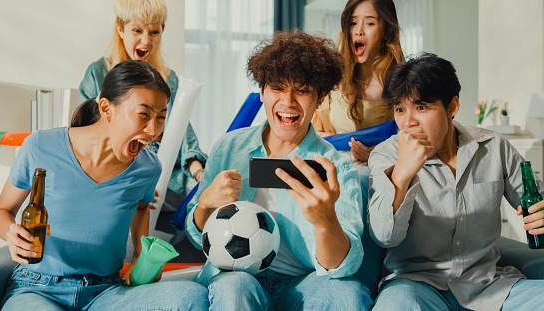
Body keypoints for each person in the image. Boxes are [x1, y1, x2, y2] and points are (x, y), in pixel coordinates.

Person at [0, 60, 208, 310]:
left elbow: (141, 207)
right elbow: (1, 212)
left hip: (105, 292)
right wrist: (10, 232)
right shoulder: (40, 146)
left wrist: (140, 252)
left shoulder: (148, 167)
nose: (153, 130)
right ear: (106, 108)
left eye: (161, 118)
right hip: (37, 288)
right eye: (143, 114)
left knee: (193, 297)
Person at [184, 30, 372, 310]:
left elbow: (341, 267)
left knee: (348, 293)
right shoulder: (228, 148)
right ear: (261, 92)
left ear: (319, 99)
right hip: (238, 278)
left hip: (302, 283)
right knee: (235, 286)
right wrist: (204, 205)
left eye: (303, 90)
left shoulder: (334, 167)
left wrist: (325, 221)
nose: (288, 101)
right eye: (278, 88)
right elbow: (198, 234)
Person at [368, 53, 544, 311]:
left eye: (421, 107)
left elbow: (535, 201)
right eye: (399, 109)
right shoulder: (385, 155)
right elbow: (384, 236)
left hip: (489, 285)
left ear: (452, 107)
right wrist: (402, 174)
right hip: (415, 286)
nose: (408, 122)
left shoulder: (493, 147)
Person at [79, 0, 207, 246]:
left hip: (164, 164)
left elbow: (182, 133)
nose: (146, 41)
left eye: (154, 32)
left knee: (204, 187)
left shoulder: (168, 79)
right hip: (117, 161)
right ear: (121, 30)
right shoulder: (98, 73)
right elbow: (88, 132)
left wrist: (199, 171)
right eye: (137, 30)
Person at [312, 0, 404, 165]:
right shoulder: (330, 79)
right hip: (334, 171)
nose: (358, 31)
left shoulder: (401, 83)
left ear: (386, 31)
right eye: (353, 23)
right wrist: (317, 137)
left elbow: (413, 140)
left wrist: (375, 154)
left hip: (378, 175)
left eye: (369, 23)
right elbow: (311, 131)